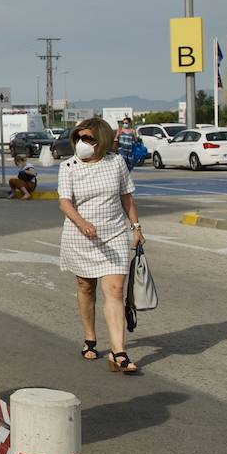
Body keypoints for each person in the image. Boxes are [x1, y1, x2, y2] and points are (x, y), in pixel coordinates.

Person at [58, 118, 144, 373]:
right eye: (79, 138)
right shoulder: (69, 166)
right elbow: (65, 203)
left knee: (116, 290)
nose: (83, 143)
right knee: (86, 287)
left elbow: (126, 197)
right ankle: (90, 338)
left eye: (89, 139)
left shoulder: (115, 162)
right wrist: (82, 223)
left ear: (102, 140)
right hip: (81, 235)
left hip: (114, 234)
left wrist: (136, 228)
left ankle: (118, 352)